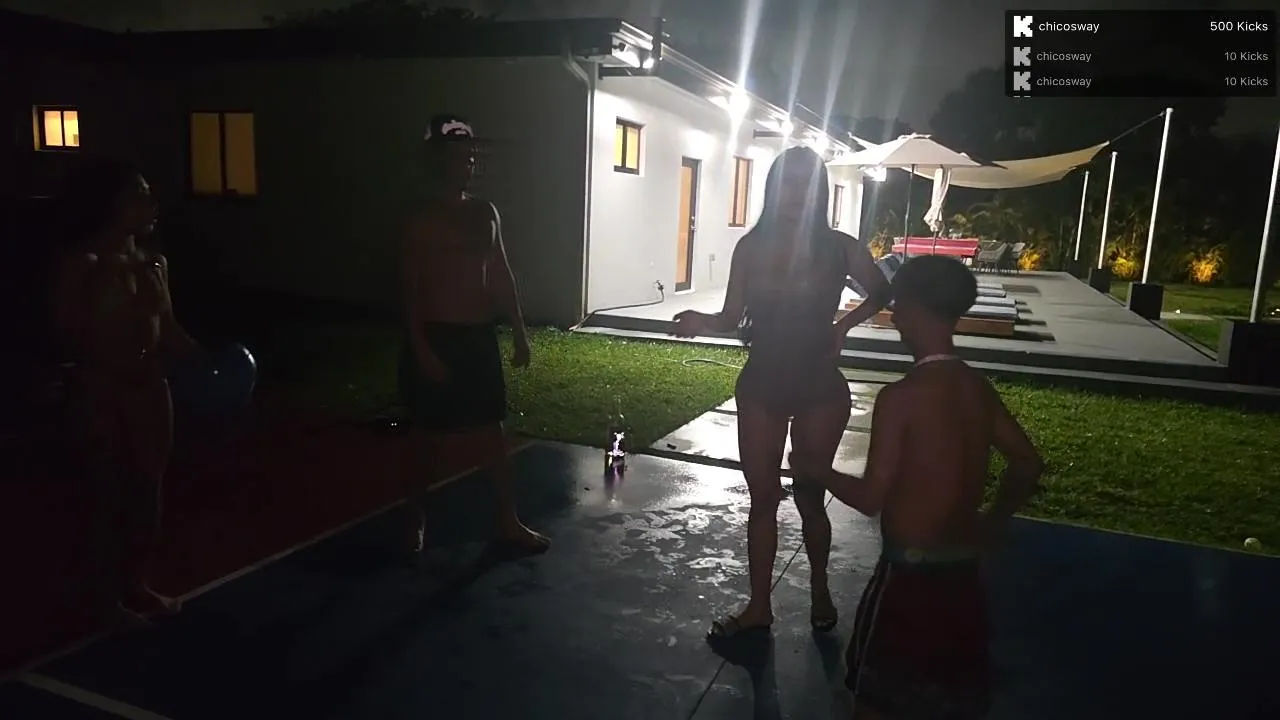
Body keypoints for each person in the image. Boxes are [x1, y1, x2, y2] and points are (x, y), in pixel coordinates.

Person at [793, 255, 1044, 719]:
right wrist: (993, 521)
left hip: (906, 581)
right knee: (949, 701)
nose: (894, 318)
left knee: (876, 704)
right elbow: (1027, 463)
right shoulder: (977, 388)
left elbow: (870, 499)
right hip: (963, 578)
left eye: (898, 305)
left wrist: (816, 469)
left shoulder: (901, 398)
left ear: (914, 308)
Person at [670, 146, 892, 639]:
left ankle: (819, 588)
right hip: (763, 382)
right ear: (772, 188)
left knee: (811, 494)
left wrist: (843, 326)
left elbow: (882, 290)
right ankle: (759, 606)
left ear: (818, 192)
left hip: (819, 386)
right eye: (787, 182)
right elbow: (731, 317)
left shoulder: (839, 247)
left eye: (805, 183)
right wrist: (701, 321)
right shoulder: (751, 247)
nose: (796, 193)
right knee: (764, 497)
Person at [49, 157, 202, 622]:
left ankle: (137, 584)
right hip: (101, 388)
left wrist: (210, 360)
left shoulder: (154, 263)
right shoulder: (83, 264)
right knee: (106, 492)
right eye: (139, 194)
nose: (150, 203)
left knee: (148, 490)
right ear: (110, 203)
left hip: (149, 388)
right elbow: (65, 333)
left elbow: (167, 327)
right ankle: (102, 598)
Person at [399, 114, 549, 556]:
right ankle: (414, 517)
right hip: (436, 337)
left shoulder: (485, 213)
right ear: (437, 160)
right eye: (457, 156)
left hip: (478, 339)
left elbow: (501, 273)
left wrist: (519, 332)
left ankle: (507, 521)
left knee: (491, 434)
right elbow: (408, 288)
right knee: (427, 438)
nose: (466, 163)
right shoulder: (420, 217)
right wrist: (421, 348)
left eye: (469, 156)